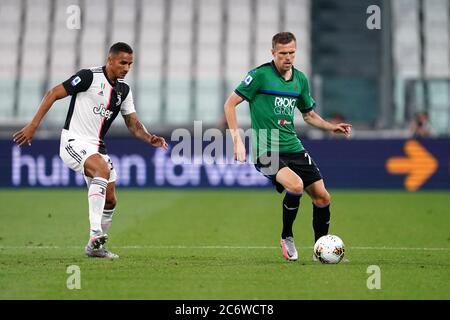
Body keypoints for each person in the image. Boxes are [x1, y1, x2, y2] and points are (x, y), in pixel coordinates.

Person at [13, 42, 168, 259]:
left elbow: (133, 124)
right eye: (123, 62)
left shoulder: (123, 91)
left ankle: (94, 249)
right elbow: (53, 93)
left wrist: (149, 137)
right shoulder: (88, 77)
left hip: (97, 147)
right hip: (73, 141)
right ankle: (95, 233)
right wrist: (33, 126)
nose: (126, 68)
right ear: (110, 60)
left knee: (111, 199)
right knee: (102, 170)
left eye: (130, 64)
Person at [223, 32, 351, 262]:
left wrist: (331, 127)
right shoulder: (259, 76)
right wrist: (237, 140)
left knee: (322, 198)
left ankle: (320, 250)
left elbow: (309, 115)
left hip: (293, 145)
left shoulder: (300, 80)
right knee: (296, 185)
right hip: (266, 149)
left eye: (292, 52)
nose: (288, 57)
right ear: (273, 53)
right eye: (283, 53)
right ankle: (286, 236)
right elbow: (230, 104)